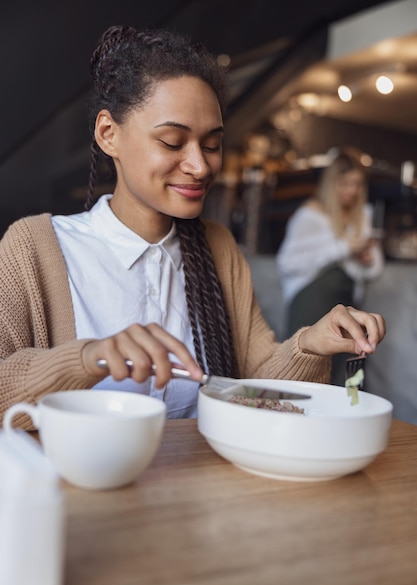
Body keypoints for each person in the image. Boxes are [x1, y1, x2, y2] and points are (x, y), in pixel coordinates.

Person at [0, 26, 385, 429]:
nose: (200, 166)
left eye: (212, 144)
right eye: (171, 141)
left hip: (205, 488)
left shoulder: (218, 249)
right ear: (108, 134)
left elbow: (257, 392)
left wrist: (310, 345)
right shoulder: (34, 247)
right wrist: (87, 357)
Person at [276, 149, 385, 384]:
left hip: (347, 306)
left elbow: (375, 269)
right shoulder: (310, 215)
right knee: (306, 374)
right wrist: (345, 248)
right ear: (331, 182)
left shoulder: (362, 216)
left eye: (357, 184)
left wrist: (365, 260)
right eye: (345, 183)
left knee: (346, 379)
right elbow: (287, 262)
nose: (352, 191)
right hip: (311, 298)